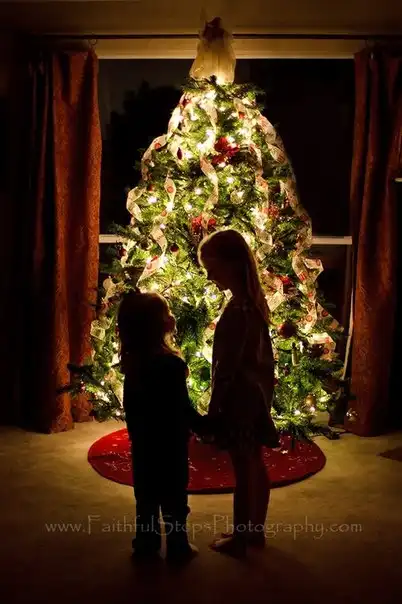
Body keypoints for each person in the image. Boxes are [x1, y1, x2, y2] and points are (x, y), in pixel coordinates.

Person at [198, 229, 280, 557]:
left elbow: (226, 368)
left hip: (240, 400)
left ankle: (242, 538)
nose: (209, 276)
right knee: (255, 463)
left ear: (231, 264)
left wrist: (215, 408)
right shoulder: (252, 305)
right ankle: (255, 530)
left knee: (243, 469)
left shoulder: (237, 312)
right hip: (256, 396)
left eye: (212, 268)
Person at [118, 289, 204, 564]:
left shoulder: (133, 364)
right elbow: (182, 408)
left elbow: (132, 409)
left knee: (145, 497)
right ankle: (178, 545)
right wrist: (204, 426)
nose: (173, 316)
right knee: (175, 497)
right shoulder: (171, 365)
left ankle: (146, 544)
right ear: (157, 325)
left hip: (143, 445)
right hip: (170, 445)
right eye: (167, 312)